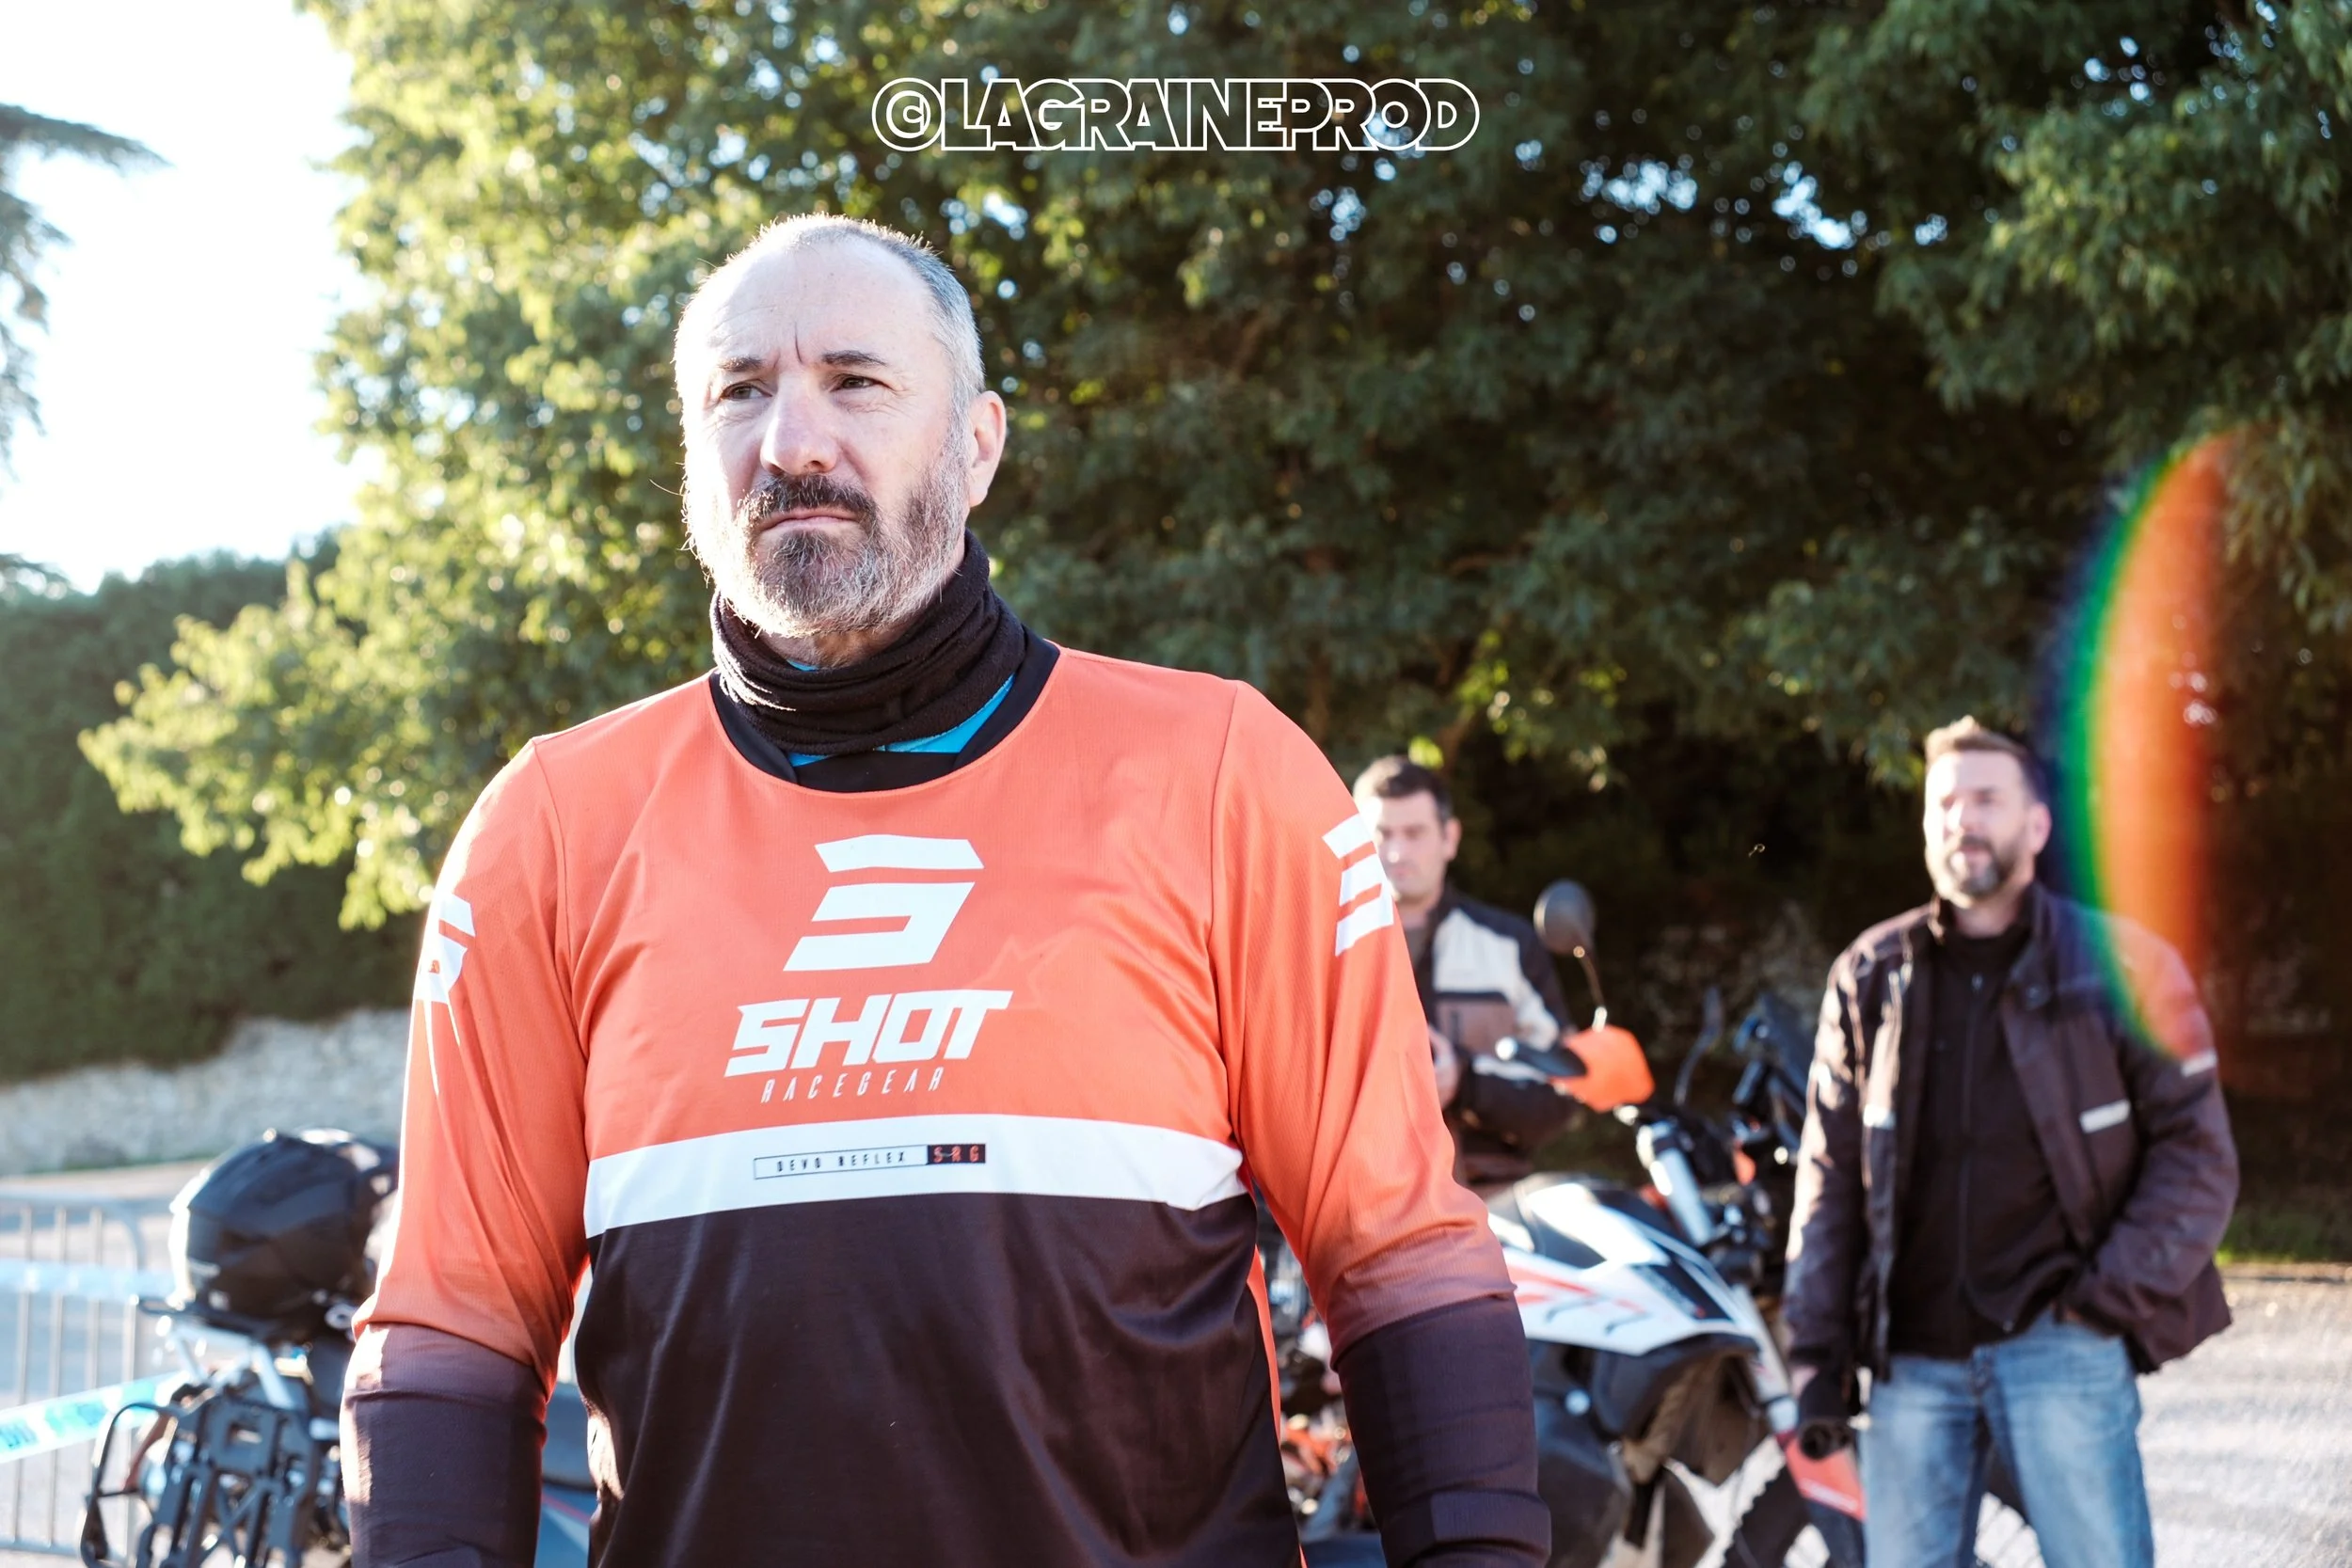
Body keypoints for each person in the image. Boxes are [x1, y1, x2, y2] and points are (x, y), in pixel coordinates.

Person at [340, 215, 1548, 1568]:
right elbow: (453, 1319)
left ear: (977, 443)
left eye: (855, 381)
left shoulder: (1220, 770)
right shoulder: (550, 824)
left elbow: (1398, 1251)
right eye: (740, 391)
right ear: (692, 459)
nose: (792, 439)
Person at [1783, 718, 2238, 1568]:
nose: (1963, 818)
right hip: (1912, 1366)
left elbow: (2197, 1154)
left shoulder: (2121, 967)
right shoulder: (1871, 977)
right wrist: (1816, 1357)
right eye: (1944, 803)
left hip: (2062, 1345)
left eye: (1986, 798)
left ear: (2036, 824)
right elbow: (1831, 1177)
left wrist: (2101, 1304)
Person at [1352, 756, 1579, 1188]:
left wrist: (1464, 1082)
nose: (1397, 852)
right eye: (1382, 834)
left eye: (1415, 833)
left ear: (1449, 838)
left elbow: (1562, 1093)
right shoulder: (1320, 947)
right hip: (1355, 1202)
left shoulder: (1509, 946)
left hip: (1490, 1204)